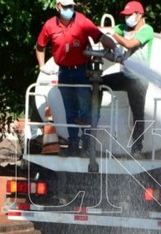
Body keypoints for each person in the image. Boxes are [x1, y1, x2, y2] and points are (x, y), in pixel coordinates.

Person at [36, 0, 119, 156]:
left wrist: (115, 48)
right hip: (64, 72)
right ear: (58, 7)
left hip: (81, 71)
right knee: (70, 111)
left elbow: (100, 36)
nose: (70, 9)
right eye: (66, 6)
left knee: (85, 110)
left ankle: (87, 147)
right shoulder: (49, 26)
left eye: (72, 6)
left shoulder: (81, 21)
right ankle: (73, 145)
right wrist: (42, 66)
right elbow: (40, 46)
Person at [102, 1, 153, 157]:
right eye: (125, 16)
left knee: (138, 115)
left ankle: (137, 149)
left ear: (139, 14)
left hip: (139, 80)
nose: (126, 19)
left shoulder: (147, 30)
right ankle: (90, 120)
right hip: (125, 76)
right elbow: (107, 32)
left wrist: (114, 36)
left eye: (129, 15)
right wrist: (109, 46)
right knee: (97, 82)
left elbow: (130, 44)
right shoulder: (122, 28)